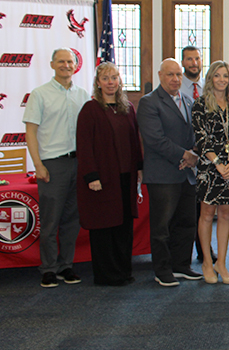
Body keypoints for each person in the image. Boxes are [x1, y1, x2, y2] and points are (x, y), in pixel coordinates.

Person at [23, 48, 87, 288]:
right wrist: (37, 164)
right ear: (52, 65)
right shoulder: (40, 94)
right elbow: (31, 131)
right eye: (61, 61)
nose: (66, 65)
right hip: (52, 164)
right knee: (51, 220)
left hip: (78, 163)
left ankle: (65, 266)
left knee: (72, 219)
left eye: (69, 61)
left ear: (75, 65)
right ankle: (48, 268)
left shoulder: (82, 95)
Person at [76, 62, 143, 287]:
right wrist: (91, 176)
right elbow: (84, 146)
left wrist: (139, 168)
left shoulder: (127, 108)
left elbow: (135, 142)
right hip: (103, 179)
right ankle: (107, 275)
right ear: (98, 83)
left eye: (114, 77)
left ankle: (123, 271)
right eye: (105, 78)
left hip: (126, 177)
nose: (110, 82)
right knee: (105, 226)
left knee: (123, 225)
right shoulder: (90, 109)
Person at [137, 58, 202, 287]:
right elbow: (155, 140)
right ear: (160, 75)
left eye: (178, 75)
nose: (175, 79)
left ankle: (181, 265)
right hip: (163, 174)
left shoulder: (187, 100)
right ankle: (162, 269)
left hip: (186, 174)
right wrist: (185, 155)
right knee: (162, 226)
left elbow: (191, 133)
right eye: (170, 75)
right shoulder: (149, 102)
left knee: (186, 223)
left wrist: (192, 152)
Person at [191, 60, 229, 285]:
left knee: (225, 215)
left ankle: (221, 263)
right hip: (209, 169)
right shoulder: (200, 104)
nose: (222, 80)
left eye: (225, 76)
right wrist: (217, 164)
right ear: (210, 78)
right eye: (217, 75)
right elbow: (201, 139)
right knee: (206, 215)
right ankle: (206, 262)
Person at [179, 45, 214, 265]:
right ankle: (183, 256)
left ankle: (204, 250)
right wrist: (188, 152)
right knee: (187, 210)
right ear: (183, 63)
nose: (194, 63)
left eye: (197, 59)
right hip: (183, 156)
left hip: (207, 156)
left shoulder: (207, 88)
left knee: (204, 205)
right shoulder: (175, 86)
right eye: (189, 59)